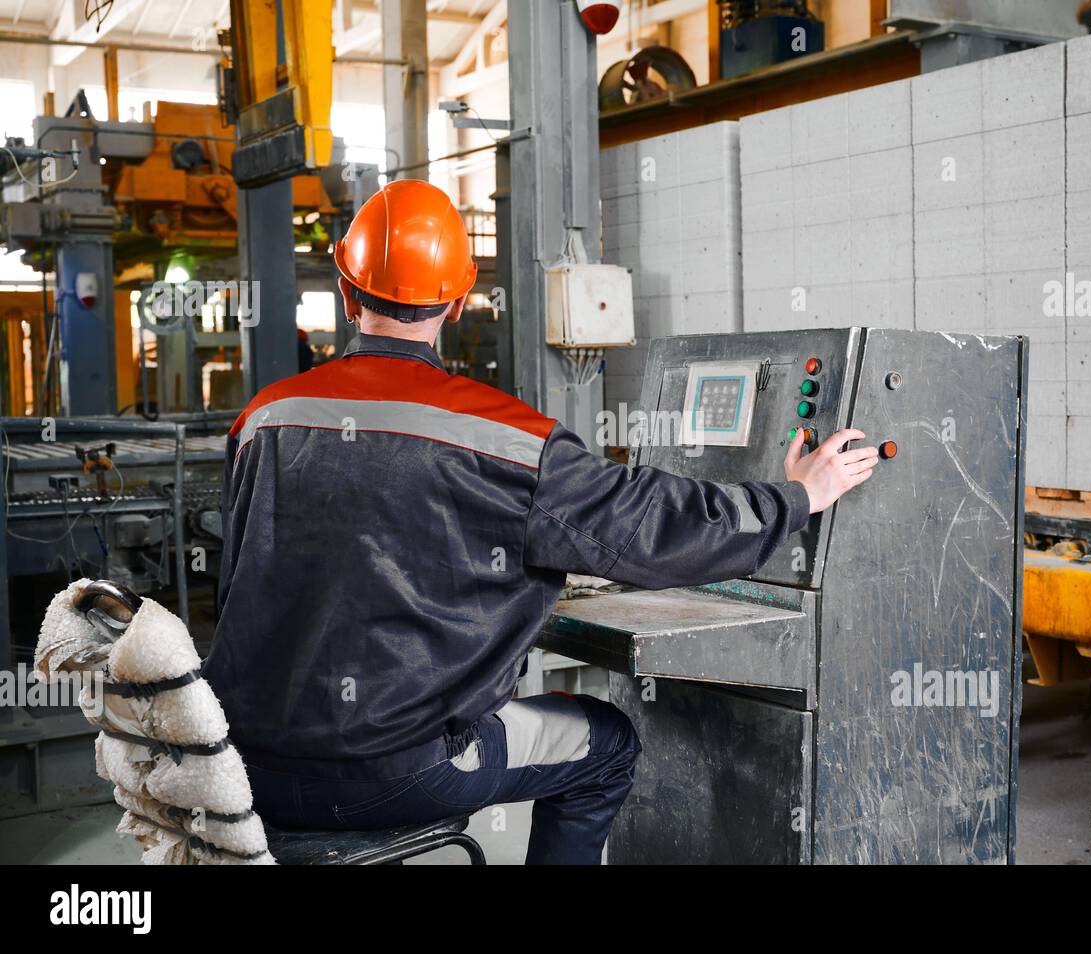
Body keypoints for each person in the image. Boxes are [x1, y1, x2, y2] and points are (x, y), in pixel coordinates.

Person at [203, 180, 879, 864]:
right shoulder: (509, 440)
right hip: (396, 771)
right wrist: (794, 498)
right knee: (607, 744)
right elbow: (651, 526)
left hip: (239, 762)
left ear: (347, 293)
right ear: (460, 301)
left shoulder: (263, 418)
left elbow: (254, 580)